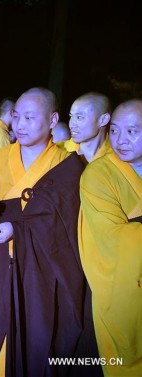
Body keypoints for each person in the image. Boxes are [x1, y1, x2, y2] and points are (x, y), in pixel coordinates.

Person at [0, 88, 100, 376]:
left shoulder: (68, 166)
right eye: (17, 116)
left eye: (30, 117)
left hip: (43, 270)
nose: (20, 124)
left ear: (53, 119)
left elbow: (68, 225)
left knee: (37, 336)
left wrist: (20, 230)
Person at [78, 99, 142, 376]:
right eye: (115, 131)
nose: (121, 140)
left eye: (133, 131)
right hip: (125, 288)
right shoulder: (98, 174)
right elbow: (111, 238)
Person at [68, 92, 112, 163]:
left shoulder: (117, 157)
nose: (71, 124)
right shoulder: (62, 152)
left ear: (103, 120)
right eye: (71, 116)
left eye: (79, 117)